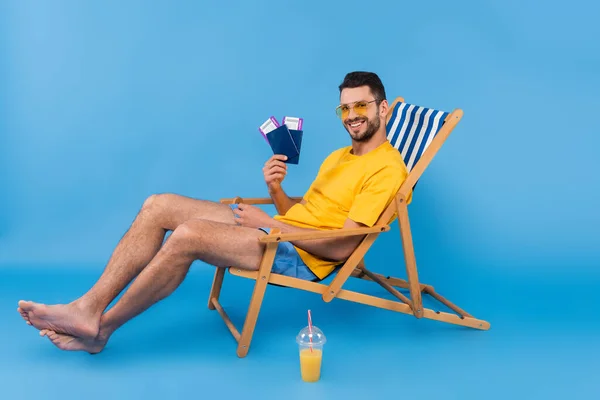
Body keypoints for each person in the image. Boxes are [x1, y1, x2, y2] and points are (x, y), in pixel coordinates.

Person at [17, 71, 411, 354]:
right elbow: (306, 212)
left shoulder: (386, 168)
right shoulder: (339, 157)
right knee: (160, 204)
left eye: (361, 105)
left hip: (302, 255)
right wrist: (276, 192)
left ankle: (102, 328)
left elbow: (342, 247)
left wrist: (271, 224)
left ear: (384, 108)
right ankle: (87, 307)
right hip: (285, 231)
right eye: (344, 108)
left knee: (189, 235)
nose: (352, 115)